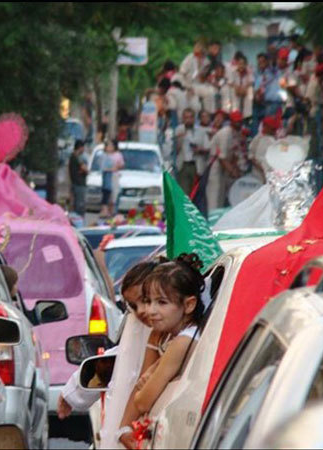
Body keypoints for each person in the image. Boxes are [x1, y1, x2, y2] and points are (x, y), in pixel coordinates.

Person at [56, 260, 164, 420]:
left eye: (146, 300)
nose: (141, 311)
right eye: (133, 306)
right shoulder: (147, 335)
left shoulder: (180, 338)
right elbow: (124, 357)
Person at [118, 254, 206, 449]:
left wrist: (150, 377)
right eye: (148, 301)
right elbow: (142, 381)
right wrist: (124, 428)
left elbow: (142, 401)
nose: (150, 310)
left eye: (162, 303)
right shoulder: (163, 336)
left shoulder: (182, 342)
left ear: (189, 304)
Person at [207, 110, 245, 211]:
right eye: (237, 121)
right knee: (214, 196)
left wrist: (235, 169)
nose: (239, 123)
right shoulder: (226, 133)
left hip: (224, 168)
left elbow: (233, 154)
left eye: (240, 121)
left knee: (221, 196)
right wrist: (232, 172)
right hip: (216, 166)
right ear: (232, 121)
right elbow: (222, 158)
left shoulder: (235, 133)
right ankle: (211, 222)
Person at [175, 108, 210, 195]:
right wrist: (180, 138)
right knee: (183, 193)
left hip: (196, 165)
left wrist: (199, 150)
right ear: (183, 119)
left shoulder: (201, 131)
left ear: (194, 119)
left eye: (190, 117)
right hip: (183, 165)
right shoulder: (179, 130)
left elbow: (207, 148)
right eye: (186, 117)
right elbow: (175, 150)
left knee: (195, 193)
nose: (188, 120)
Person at [249, 111, 281, 183]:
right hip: (258, 172)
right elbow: (251, 156)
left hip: (271, 172)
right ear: (265, 127)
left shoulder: (275, 140)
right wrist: (261, 169)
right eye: (272, 129)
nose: (274, 131)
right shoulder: (257, 138)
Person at [99, 138, 125, 217]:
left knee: (114, 194)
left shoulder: (118, 155)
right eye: (108, 145)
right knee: (106, 193)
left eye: (111, 145)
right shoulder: (104, 155)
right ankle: (105, 211)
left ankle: (112, 211)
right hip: (106, 175)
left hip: (114, 176)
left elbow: (121, 165)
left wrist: (115, 167)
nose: (109, 147)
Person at [68, 139, 89, 217]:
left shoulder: (72, 156)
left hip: (75, 182)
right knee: (80, 204)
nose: (83, 150)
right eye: (83, 147)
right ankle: (79, 219)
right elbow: (85, 169)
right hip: (79, 183)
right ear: (80, 147)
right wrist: (85, 170)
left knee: (76, 202)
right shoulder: (77, 157)